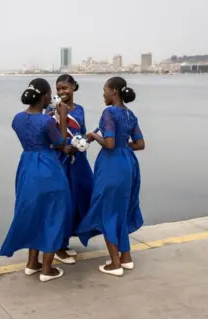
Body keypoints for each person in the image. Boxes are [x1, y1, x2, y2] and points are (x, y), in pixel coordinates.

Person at [0, 78, 72, 282]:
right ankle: (47, 269)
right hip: (47, 167)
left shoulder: (17, 119)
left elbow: (32, 130)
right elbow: (60, 143)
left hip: (27, 166)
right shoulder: (47, 121)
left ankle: (32, 263)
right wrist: (63, 117)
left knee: (34, 213)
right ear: (46, 96)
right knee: (53, 214)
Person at [76, 76, 145, 277]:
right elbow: (140, 144)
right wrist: (124, 146)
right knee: (120, 209)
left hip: (112, 165)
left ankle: (115, 264)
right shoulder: (130, 114)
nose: (103, 95)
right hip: (128, 165)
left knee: (107, 210)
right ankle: (126, 257)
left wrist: (93, 135)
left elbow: (109, 144)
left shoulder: (109, 112)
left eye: (105, 90)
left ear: (114, 91)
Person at [45, 74, 94, 265]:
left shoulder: (79, 109)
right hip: (60, 157)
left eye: (65, 88)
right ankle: (57, 246)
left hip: (78, 158)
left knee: (78, 198)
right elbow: (49, 134)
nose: (61, 92)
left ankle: (66, 241)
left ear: (73, 87)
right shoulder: (51, 110)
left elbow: (81, 130)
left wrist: (85, 141)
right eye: (58, 89)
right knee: (61, 201)